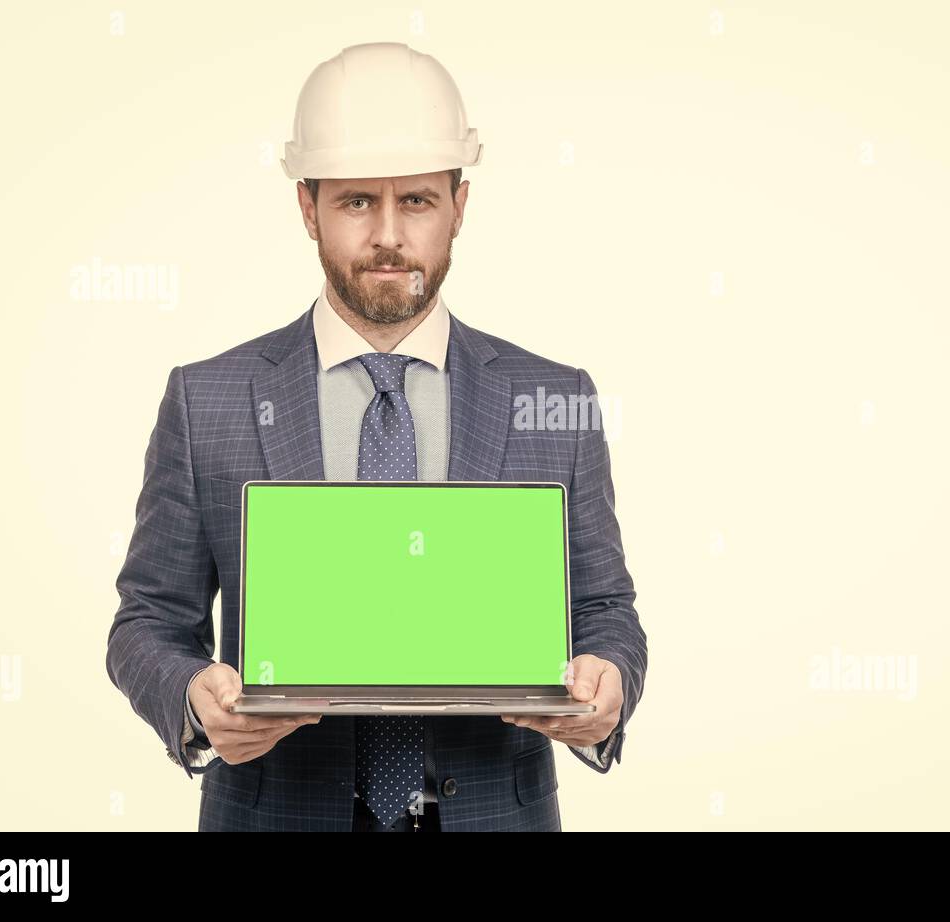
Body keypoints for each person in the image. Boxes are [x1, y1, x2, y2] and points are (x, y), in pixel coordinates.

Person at [106, 42, 647, 832]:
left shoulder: (553, 397)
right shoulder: (208, 399)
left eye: (418, 202)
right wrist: (192, 697)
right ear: (307, 205)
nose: (389, 236)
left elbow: (605, 610)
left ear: (460, 203)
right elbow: (148, 620)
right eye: (357, 201)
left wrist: (609, 684)